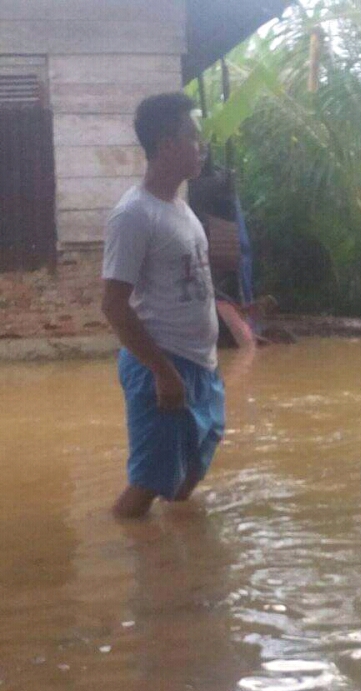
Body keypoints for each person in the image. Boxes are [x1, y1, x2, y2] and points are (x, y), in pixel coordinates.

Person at [102, 93, 224, 519]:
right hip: (164, 366)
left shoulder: (181, 210)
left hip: (202, 367)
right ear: (167, 144)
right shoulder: (134, 215)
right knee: (147, 486)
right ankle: (121, 555)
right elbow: (114, 306)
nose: (201, 146)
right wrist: (163, 371)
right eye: (192, 136)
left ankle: (170, 568)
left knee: (186, 479)